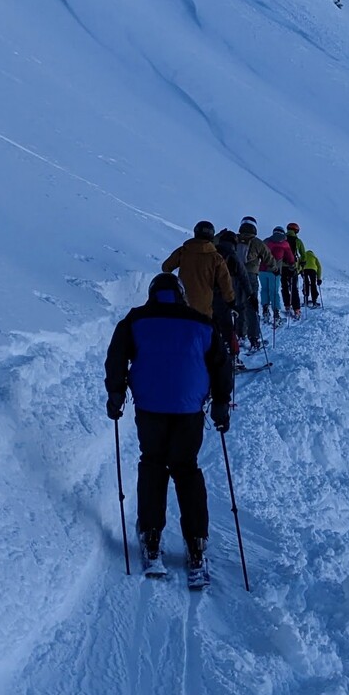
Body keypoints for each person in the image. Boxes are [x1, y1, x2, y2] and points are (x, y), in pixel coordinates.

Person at [105, 272, 233, 582]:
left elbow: (116, 356)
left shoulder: (136, 320)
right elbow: (221, 363)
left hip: (150, 406)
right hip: (189, 408)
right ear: (181, 295)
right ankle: (196, 543)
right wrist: (220, 402)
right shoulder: (201, 322)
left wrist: (116, 392)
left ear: (152, 294)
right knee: (186, 468)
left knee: (153, 464)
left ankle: (151, 538)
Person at [163, 220, 234, 319]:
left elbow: (166, 267)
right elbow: (225, 280)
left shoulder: (183, 251)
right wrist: (230, 300)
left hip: (183, 301)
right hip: (204, 305)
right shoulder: (216, 258)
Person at [214, 227, 247, 357]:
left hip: (210, 295)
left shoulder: (212, 255)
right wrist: (250, 294)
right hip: (228, 296)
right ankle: (233, 355)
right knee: (228, 326)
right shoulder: (233, 256)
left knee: (213, 325)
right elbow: (243, 276)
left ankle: (215, 354)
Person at [237, 219, 268, 349]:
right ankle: (254, 339)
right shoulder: (257, 242)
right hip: (251, 276)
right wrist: (275, 269)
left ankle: (240, 335)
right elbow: (268, 257)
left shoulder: (235, 239)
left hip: (236, 276)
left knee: (238, 305)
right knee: (252, 306)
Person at [258, 229, 286, 329]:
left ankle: (265, 311)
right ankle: (276, 315)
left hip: (262, 270)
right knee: (274, 292)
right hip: (275, 271)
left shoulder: (266, 241)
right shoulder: (284, 243)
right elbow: (290, 258)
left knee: (264, 290)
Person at [281, 222, 304, 319]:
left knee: (284, 286)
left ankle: (287, 305)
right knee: (294, 288)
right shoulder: (298, 241)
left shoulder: (282, 239)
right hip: (293, 267)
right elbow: (303, 255)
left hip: (282, 267)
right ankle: (296, 309)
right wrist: (301, 266)